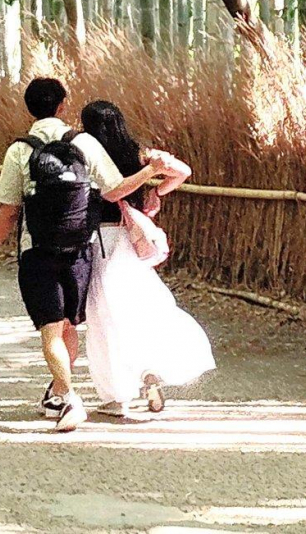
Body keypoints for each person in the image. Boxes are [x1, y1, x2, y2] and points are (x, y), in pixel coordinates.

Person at [0, 78, 167, 432]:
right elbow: (115, 190)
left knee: (50, 331)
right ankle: (60, 391)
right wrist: (150, 172)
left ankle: (68, 397)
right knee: (68, 325)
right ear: (63, 105)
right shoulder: (84, 143)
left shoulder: (19, 150)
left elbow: (8, 210)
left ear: (28, 108)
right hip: (80, 249)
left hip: (37, 250)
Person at [81, 100, 215, 416]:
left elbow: (109, 193)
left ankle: (116, 395)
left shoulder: (90, 153)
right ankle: (150, 369)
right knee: (142, 305)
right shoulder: (139, 153)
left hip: (104, 238)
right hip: (132, 238)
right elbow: (183, 171)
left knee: (104, 316)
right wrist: (158, 188)